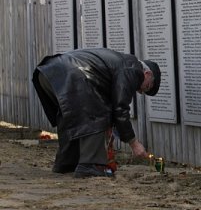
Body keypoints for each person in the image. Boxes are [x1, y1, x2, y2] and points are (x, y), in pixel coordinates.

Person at [31, 48, 161, 178]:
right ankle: (90, 165)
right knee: (96, 114)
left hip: (48, 73)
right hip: (71, 76)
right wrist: (134, 143)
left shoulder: (122, 63)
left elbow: (114, 107)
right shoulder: (133, 69)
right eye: (147, 87)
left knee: (71, 117)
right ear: (147, 73)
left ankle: (66, 164)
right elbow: (120, 108)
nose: (140, 91)